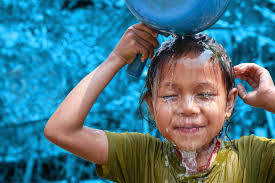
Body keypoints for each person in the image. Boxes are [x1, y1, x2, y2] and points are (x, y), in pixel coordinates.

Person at [44, 23, 275, 182]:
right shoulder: (140, 157)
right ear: (152, 106)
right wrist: (115, 59)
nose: (187, 108)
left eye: (204, 94)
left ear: (228, 104)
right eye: (169, 96)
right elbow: (61, 131)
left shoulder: (255, 157)